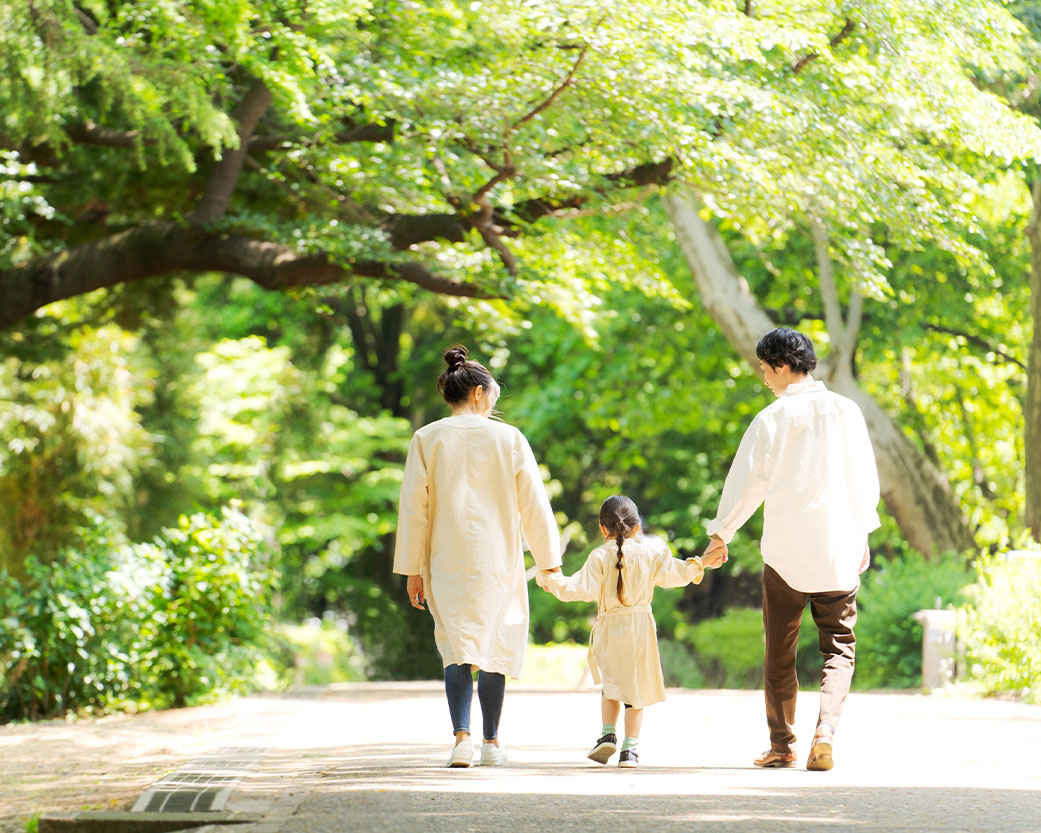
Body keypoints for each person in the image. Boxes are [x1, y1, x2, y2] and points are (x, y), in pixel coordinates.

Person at [703, 327, 880, 771]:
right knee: (839, 646)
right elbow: (864, 479)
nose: (764, 378)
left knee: (779, 650)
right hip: (838, 546)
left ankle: (783, 746)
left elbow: (746, 483)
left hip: (785, 552)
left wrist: (721, 531)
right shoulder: (847, 410)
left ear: (781, 365)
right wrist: (864, 533)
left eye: (765, 369)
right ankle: (827, 731)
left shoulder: (772, 419)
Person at [393, 345, 561, 768]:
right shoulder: (509, 438)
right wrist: (548, 561)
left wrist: (412, 569)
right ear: (480, 394)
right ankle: (491, 743)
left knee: (456, 647)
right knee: (495, 643)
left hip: (444, 558)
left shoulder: (426, 438)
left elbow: (415, 508)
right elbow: (534, 505)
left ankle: (460, 741)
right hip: (496, 557)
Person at [536, 495, 722, 768]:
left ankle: (607, 733)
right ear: (636, 528)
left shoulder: (599, 556)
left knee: (611, 684)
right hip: (640, 627)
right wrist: (703, 562)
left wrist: (548, 578)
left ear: (602, 529)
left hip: (610, 626)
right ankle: (630, 751)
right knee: (636, 689)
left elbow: (576, 588)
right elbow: (678, 573)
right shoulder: (652, 553)